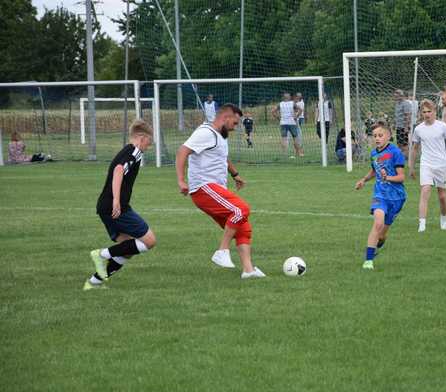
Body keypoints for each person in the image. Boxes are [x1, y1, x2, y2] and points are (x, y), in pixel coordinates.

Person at [176, 104, 265, 279]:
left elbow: (222, 157)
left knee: (244, 227)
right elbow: (182, 151)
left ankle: (248, 270)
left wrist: (235, 175)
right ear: (225, 117)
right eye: (235, 122)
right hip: (204, 188)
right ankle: (222, 250)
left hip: (213, 189)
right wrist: (181, 180)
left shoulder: (220, 135)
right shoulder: (205, 133)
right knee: (241, 209)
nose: (236, 126)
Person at [85, 119, 157, 290]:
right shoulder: (134, 151)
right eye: (149, 141)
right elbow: (119, 170)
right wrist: (116, 201)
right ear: (141, 137)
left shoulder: (128, 150)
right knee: (149, 241)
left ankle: (94, 283)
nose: (149, 145)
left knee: (128, 249)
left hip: (105, 207)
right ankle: (101, 254)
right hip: (117, 208)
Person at [355, 121, 406, 270]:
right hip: (380, 195)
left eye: (380, 135)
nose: (377, 138)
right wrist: (363, 180)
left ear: (388, 136)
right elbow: (374, 171)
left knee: (382, 234)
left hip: (397, 198)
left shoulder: (395, 152)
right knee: (377, 223)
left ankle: (379, 241)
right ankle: (368, 260)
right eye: (374, 136)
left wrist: (388, 178)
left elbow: (401, 177)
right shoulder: (373, 153)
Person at [409, 99, 446, 233]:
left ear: (435, 111)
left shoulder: (442, 126)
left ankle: (443, 220)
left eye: (429, 111)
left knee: (442, 196)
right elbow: (414, 149)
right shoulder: (418, 129)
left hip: (441, 165)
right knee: (425, 191)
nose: (427, 114)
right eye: (424, 112)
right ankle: (422, 224)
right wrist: (411, 167)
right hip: (426, 164)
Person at [272, 93, 303, 158]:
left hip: (283, 123)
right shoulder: (292, 103)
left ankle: (284, 154)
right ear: (289, 97)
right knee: (295, 138)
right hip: (292, 123)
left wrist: (279, 118)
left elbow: (273, 111)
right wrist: (296, 116)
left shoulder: (280, 104)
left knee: (284, 139)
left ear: (283, 98)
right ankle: (298, 153)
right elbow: (300, 110)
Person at [393, 89, 412, 159]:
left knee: (405, 144)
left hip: (403, 127)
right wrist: (395, 124)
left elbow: (408, 115)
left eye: (397, 96)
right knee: (399, 143)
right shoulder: (397, 104)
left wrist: (406, 127)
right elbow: (397, 115)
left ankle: (407, 157)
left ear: (401, 95)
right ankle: (400, 156)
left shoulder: (406, 103)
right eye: (395, 96)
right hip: (398, 126)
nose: (395, 97)